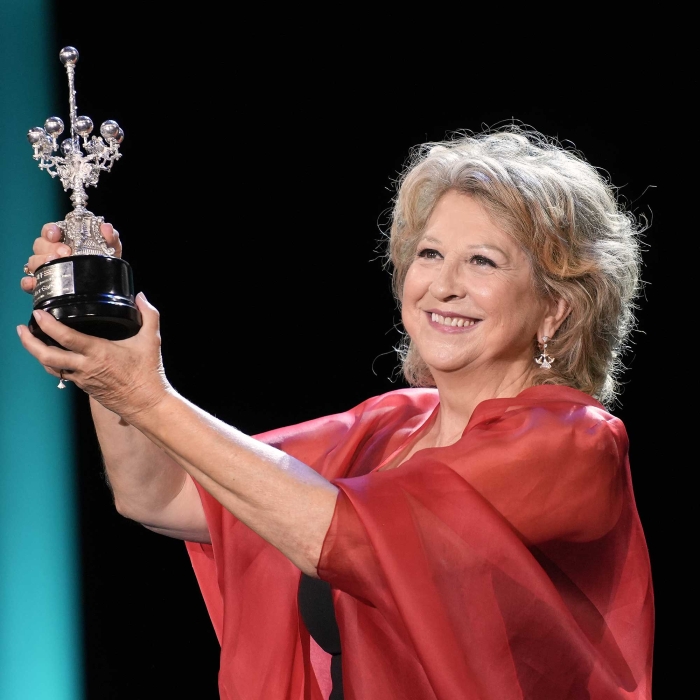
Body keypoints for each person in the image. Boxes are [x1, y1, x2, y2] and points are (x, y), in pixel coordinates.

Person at [18, 126, 654, 700]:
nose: (443, 285)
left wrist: (147, 396)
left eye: (482, 261)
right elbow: (159, 494)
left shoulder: (573, 442)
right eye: (430, 254)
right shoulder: (388, 428)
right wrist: (105, 338)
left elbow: (345, 538)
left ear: (556, 309)